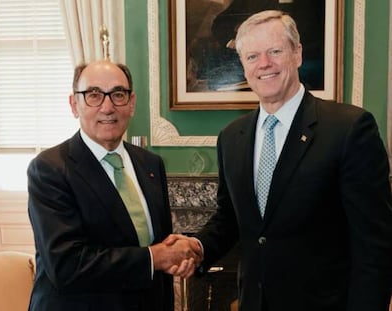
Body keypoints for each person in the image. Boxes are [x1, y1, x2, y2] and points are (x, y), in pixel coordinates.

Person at [168, 10, 392, 311]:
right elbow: (230, 218)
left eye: (275, 51)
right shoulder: (231, 138)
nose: (264, 64)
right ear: (243, 65)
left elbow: (374, 246)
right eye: (252, 56)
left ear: (297, 54)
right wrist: (198, 247)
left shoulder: (349, 129)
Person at [27, 60, 202, 311]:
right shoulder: (49, 169)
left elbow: (160, 245)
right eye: (94, 95)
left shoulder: (150, 164)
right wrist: (156, 257)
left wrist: (178, 254)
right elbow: (67, 265)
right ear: (74, 104)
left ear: (131, 104)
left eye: (118, 94)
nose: (107, 107)